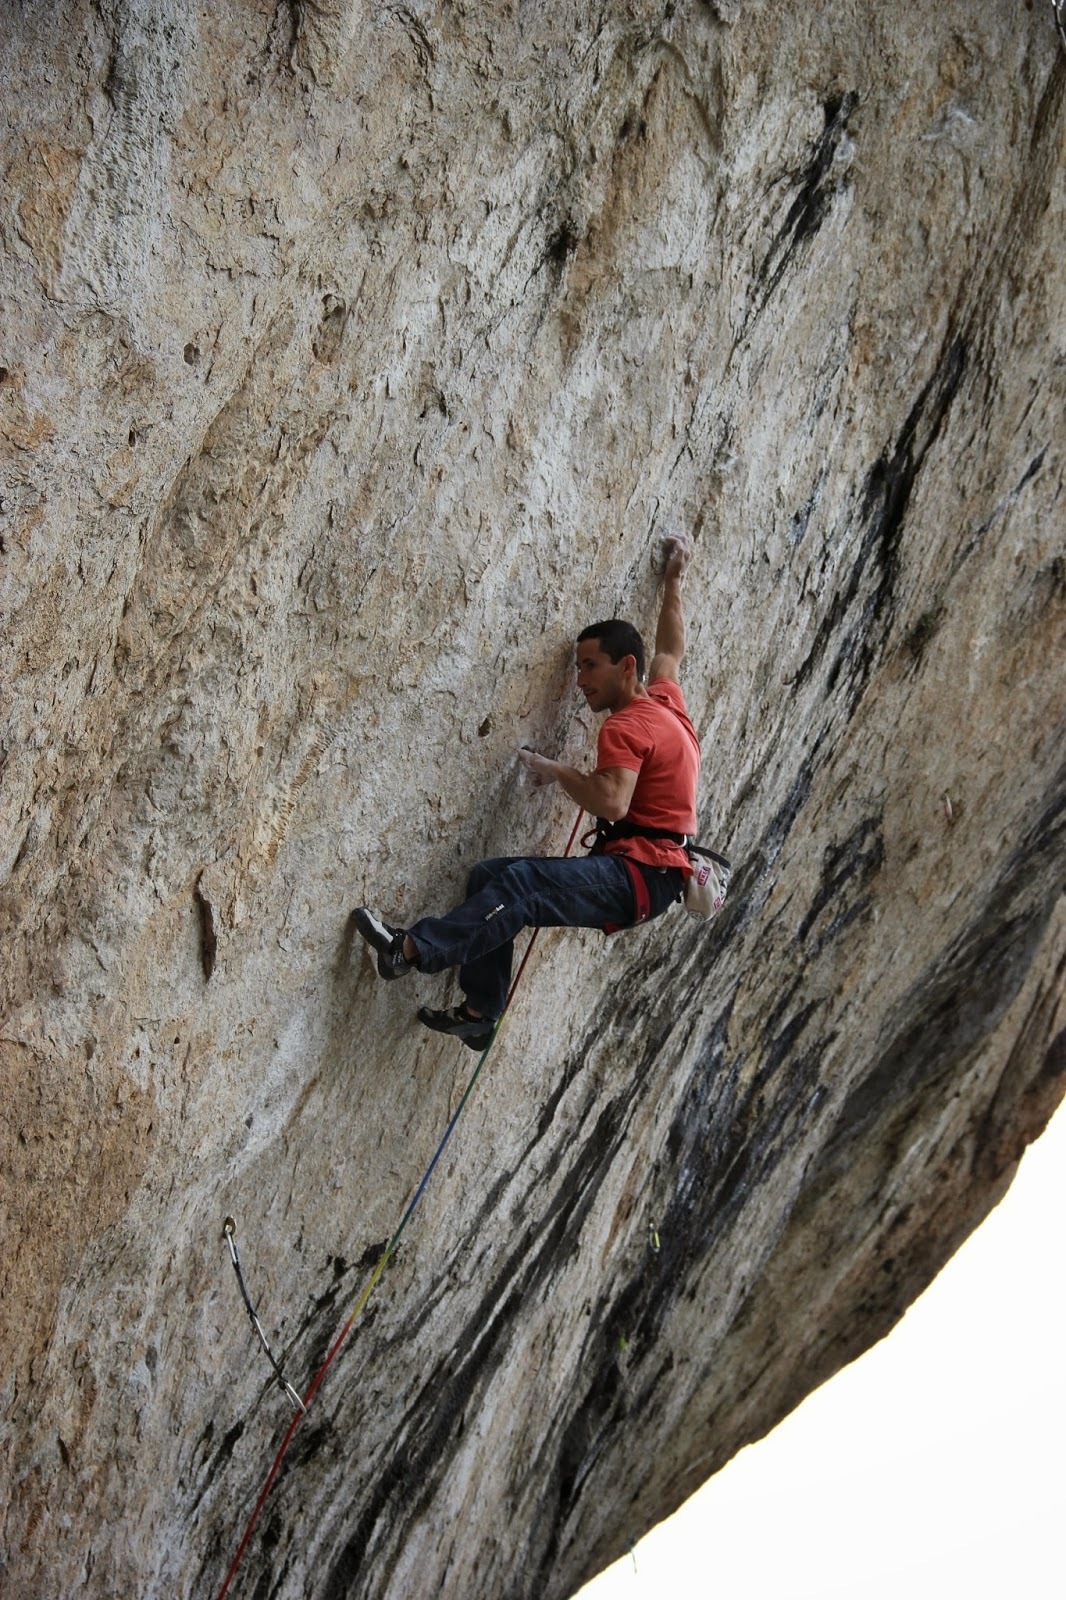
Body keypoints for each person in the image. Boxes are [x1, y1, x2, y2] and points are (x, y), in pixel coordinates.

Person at [353, 534, 701, 1048]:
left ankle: (408, 952)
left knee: (525, 886)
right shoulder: (665, 701)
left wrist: (556, 770)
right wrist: (672, 579)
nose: (580, 679)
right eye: (578, 666)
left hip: (640, 876)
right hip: (655, 875)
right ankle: (479, 1010)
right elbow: (670, 647)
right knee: (491, 877)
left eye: (590, 666)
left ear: (627, 666)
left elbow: (612, 802)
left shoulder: (626, 727)